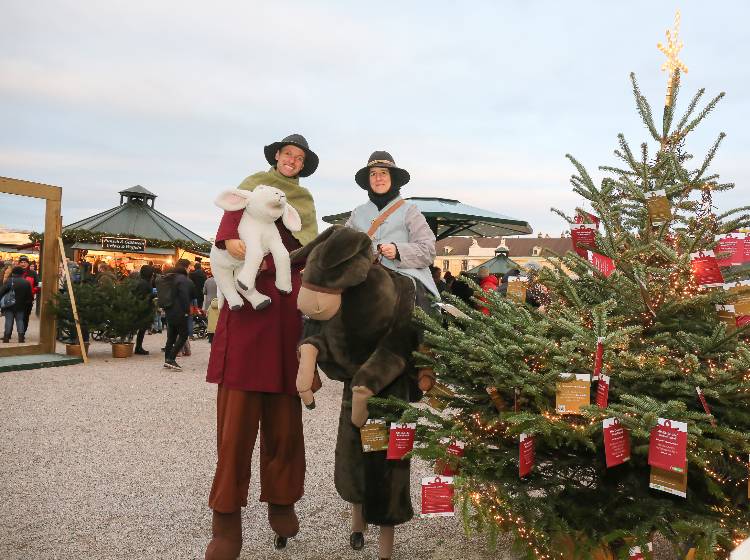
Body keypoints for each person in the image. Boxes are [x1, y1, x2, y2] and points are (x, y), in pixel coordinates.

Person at [204, 133, 319, 559]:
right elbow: (225, 233)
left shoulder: (303, 204)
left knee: (285, 426)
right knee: (234, 432)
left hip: (286, 318)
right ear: (276, 156)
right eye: (288, 153)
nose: (292, 160)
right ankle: (225, 522)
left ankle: (282, 501)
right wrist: (230, 244)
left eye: (300, 157)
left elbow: (307, 251)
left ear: (304, 165)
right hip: (248, 316)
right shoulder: (250, 186)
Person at [343, 150, 438, 560]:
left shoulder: (410, 211)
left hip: (404, 279)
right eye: (373, 173)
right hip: (365, 283)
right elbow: (343, 249)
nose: (378, 178)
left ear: (394, 178)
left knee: (426, 312)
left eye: (384, 173)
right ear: (367, 179)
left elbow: (428, 249)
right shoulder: (356, 214)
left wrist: (398, 252)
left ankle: (428, 363)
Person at [1, 266, 33, 343]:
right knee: (20, 320)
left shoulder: (9, 281)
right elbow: (29, 296)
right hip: (21, 306)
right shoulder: (26, 282)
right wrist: (27, 305)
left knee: (9, 321)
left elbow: (2, 292)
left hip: (9, 305)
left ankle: (6, 338)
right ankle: (21, 338)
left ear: (13, 272)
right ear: (22, 273)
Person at [133, 265, 156, 355]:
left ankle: (138, 347)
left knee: (142, 330)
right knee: (142, 329)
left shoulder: (141, 281)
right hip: (143, 308)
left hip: (142, 307)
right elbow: (142, 296)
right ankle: (138, 347)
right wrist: (153, 295)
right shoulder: (145, 283)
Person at [16, 256, 39, 332]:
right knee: (18, 316)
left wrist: (33, 291)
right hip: (17, 298)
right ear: (19, 263)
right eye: (21, 262)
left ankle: (22, 331)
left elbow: (38, 285)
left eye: (25, 262)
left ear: (28, 263)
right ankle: (19, 331)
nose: (23, 264)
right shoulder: (15, 272)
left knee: (25, 316)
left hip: (28, 299)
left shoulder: (33, 273)